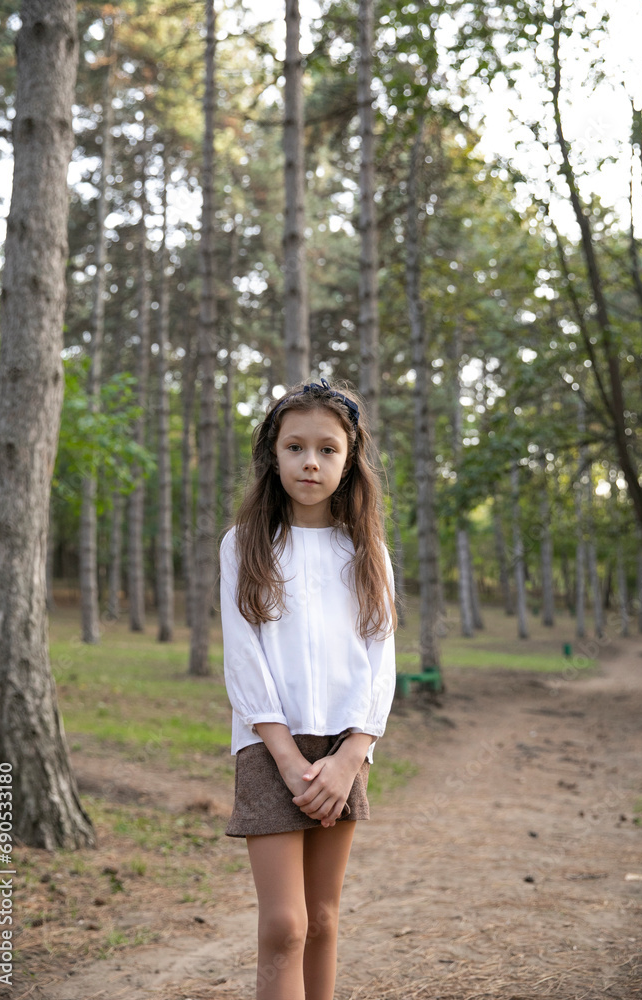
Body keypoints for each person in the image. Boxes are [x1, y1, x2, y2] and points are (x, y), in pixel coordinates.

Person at [219, 377, 397, 1000]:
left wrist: (351, 756)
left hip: (344, 749)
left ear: (349, 461)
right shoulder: (245, 545)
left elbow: (381, 660)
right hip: (270, 747)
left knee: (321, 919)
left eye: (327, 449)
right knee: (285, 925)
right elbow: (243, 658)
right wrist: (288, 759)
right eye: (295, 447)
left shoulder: (367, 551)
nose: (310, 462)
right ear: (273, 455)